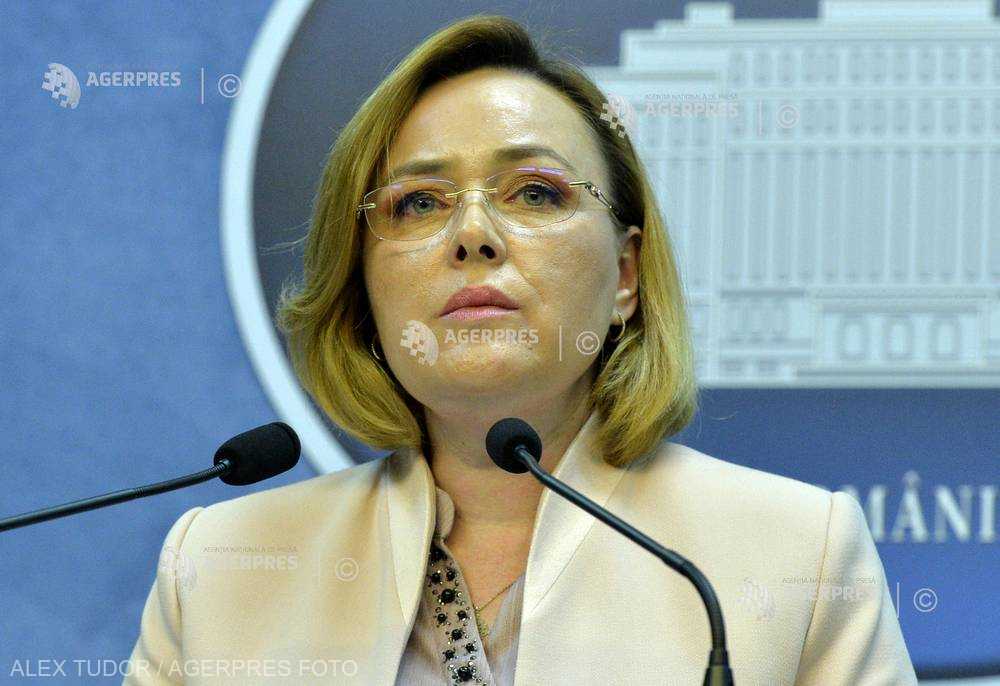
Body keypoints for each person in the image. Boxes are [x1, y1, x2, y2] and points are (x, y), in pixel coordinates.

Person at [125, 14, 918, 685]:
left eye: (536, 192)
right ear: (362, 286)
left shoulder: (797, 554)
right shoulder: (220, 568)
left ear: (625, 276)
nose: (472, 234)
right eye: (419, 203)